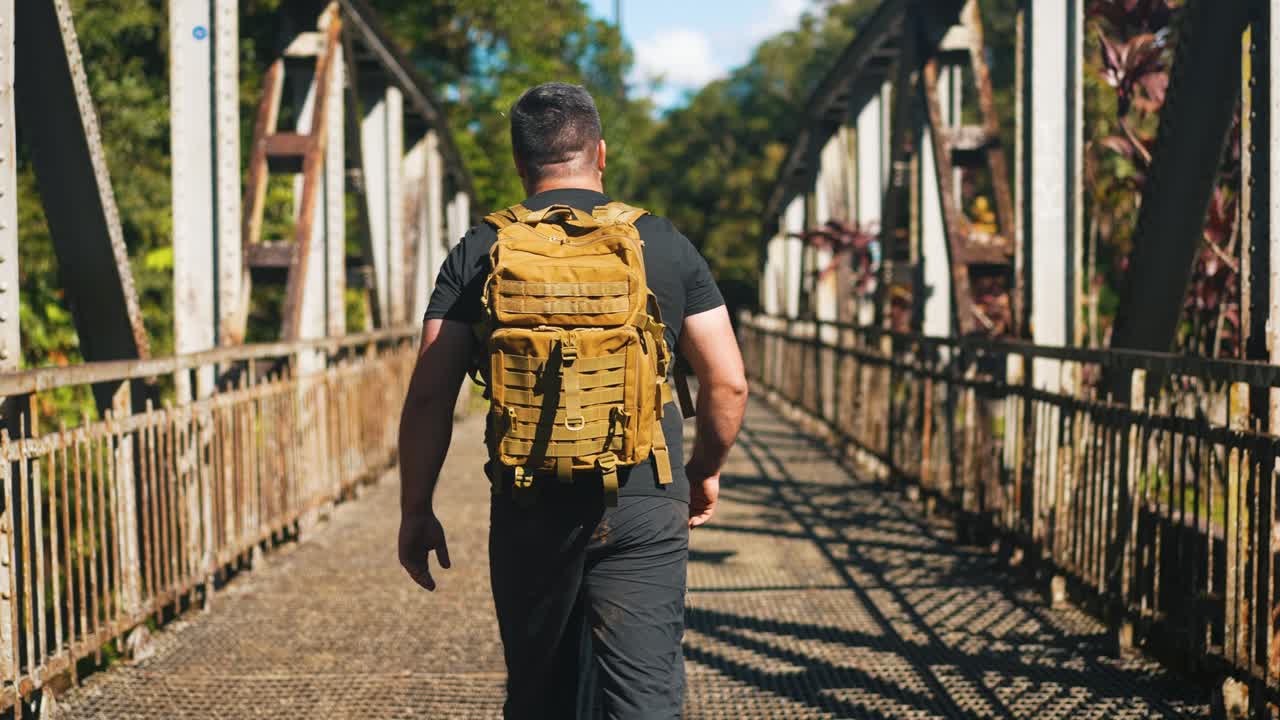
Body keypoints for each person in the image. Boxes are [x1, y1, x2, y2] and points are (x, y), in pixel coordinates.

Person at [397, 82, 748, 719]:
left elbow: (428, 397)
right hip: (644, 496)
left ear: (519, 162)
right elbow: (728, 383)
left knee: (540, 695)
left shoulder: (481, 249)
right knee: (644, 698)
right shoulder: (661, 242)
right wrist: (705, 470)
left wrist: (416, 508)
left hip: (531, 498)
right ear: (601, 154)